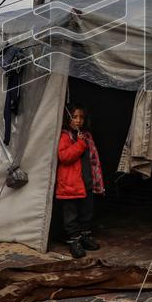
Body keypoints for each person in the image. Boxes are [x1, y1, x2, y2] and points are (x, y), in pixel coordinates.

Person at [55, 104, 105, 258]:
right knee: (71, 216)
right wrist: (80, 144)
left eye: (81, 117)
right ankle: (74, 241)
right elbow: (64, 157)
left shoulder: (86, 135)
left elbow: (93, 159)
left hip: (87, 183)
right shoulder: (65, 136)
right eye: (74, 117)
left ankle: (84, 236)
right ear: (67, 118)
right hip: (70, 184)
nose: (78, 120)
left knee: (86, 213)